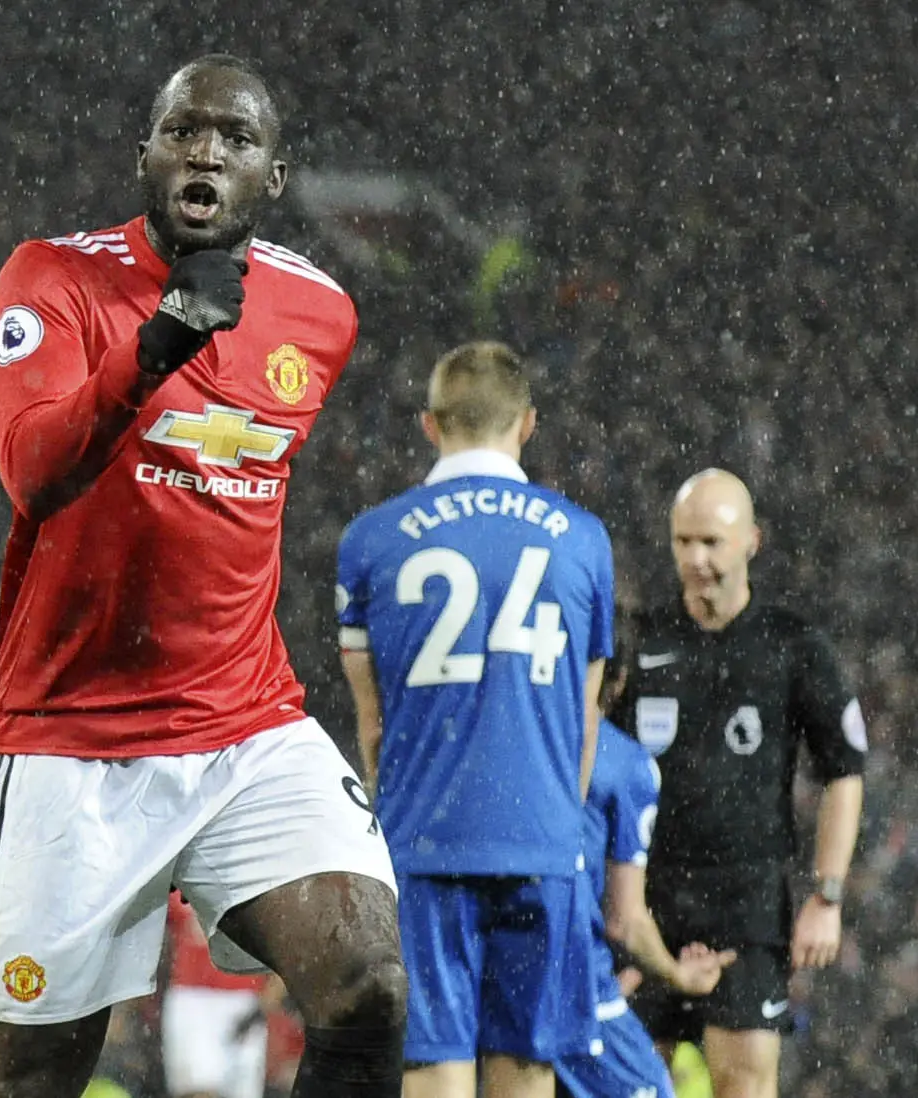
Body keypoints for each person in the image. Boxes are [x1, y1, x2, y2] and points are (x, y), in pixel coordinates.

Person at [0, 54, 405, 1098]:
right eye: (183, 130)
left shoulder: (319, 312)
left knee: (373, 985)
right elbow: (33, 472)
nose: (206, 150)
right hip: (72, 738)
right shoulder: (50, 278)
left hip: (243, 723)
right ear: (144, 153)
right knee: (32, 1074)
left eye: (235, 138)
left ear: (273, 176)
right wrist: (153, 347)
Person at [334, 342, 615, 1098]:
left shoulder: (372, 541)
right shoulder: (583, 539)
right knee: (526, 1070)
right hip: (543, 842)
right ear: (527, 425)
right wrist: (559, 825)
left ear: (429, 425)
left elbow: (373, 725)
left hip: (426, 839)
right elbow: (586, 721)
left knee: (431, 1069)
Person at [607, 470, 868, 1098]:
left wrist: (827, 897)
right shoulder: (641, 642)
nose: (696, 559)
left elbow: (845, 769)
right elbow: (594, 768)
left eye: (712, 543)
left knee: (745, 1083)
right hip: (647, 901)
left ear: (751, 541)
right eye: (683, 541)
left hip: (747, 908)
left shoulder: (792, 646)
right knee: (629, 1082)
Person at [555, 710, 734, 1098]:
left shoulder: (505, 736)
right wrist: (676, 973)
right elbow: (626, 921)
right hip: (574, 985)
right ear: (614, 681)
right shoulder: (622, 759)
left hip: (478, 972)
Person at [162, 896, 282, 1098]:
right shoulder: (180, 884)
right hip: (192, 1000)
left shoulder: (258, 886)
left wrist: (272, 994)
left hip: (244, 1001)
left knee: (243, 1092)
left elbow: (282, 939)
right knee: (196, 1090)